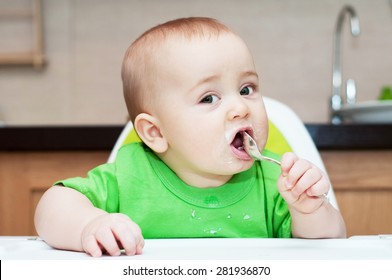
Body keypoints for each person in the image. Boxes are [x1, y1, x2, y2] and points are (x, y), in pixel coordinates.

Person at [34, 17, 346, 257]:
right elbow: (52, 206)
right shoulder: (128, 178)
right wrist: (90, 224)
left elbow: (331, 245)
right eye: (209, 98)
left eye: (246, 89)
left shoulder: (274, 184)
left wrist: (311, 210)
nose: (240, 107)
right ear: (155, 133)